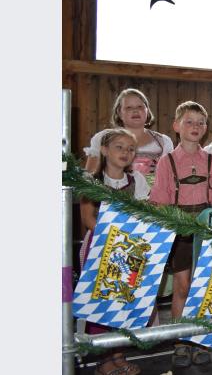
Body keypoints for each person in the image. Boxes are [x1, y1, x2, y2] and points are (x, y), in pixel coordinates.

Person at [149, 101, 212, 368]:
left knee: (203, 287)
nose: (195, 127)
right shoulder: (167, 162)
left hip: (206, 228)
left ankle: (200, 339)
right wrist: (171, 224)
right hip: (179, 228)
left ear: (206, 128)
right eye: (189, 121)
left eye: (200, 123)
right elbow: (159, 199)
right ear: (176, 126)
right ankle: (181, 341)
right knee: (182, 287)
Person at [79, 128, 149, 375]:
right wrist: (112, 240)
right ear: (105, 150)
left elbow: (143, 215)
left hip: (128, 249)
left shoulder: (136, 181)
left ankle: (118, 354)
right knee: (101, 302)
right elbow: (88, 218)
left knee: (122, 302)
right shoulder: (92, 181)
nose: (126, 152)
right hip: (99, 247)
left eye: (130, 149)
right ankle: (103, 360)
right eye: (119, 147)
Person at [84, 88, 173, 185]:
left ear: (147, 111)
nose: (135, 111)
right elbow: (89, 179)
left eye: (140, 107)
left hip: (152, 198)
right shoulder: (104, 138)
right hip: (112, 197)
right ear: (119, 112)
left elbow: (169, 179)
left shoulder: (163, 142)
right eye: (129, 108)